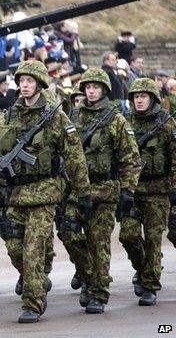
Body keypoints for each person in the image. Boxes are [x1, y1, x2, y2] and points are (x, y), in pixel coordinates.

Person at [0, 60, 91, 323]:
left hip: (44, 193)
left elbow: (75, 156)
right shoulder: (7, 115)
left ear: (40, 84)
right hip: (15, 193)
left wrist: (83, 192)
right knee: (14, 248)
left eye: (29, 81)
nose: (24, 85)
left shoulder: (55, 116)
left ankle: (32, 303)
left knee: (33, 249)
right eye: (21, 81)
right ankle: (37, 280)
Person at [68, 67, 141, 314]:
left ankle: (99, 293)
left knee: (98, 243)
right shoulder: (74, 116)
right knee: (69, 233)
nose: (91, 91)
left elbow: (131, 158)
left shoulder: (116, 119)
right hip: (77, 189)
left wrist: (128, 190)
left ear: (104, 90)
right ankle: (89, 278)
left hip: (104, 190)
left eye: (95, 87)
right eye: (87, 87)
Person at [119, 78, 176, 306]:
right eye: (135, 96)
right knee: (128, 235)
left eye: (143, 96)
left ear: (152, 98)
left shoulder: (166, 124)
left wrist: (174, 187)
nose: (138, 100)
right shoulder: (125, 123)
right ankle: (144, 269)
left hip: (158, 192)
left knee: (153, 239)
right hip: (133, 190)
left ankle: (150, 286)